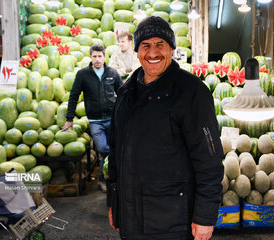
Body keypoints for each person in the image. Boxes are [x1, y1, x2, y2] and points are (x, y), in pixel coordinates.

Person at [107, 16, 224, 240]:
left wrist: (205, 217)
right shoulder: (125, 94)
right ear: (137, 51)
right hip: (131, 220)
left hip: (172, 222)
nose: (153, 53)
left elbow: (209, 162)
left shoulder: (191, 93)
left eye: (160, 45)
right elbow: (115, 154)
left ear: (171, 49)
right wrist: (114, 203)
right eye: (146, 46)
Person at [62, 44, 123, 193]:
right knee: (104, 149)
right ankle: (110, 177)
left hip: (112, 119)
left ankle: (105, 180)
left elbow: (122, 94)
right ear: (90, 57)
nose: (97, 59)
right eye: (94, 56)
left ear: (104, 57)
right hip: (95, 120)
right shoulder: (83, 74)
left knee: (111, 150)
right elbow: (74, 96)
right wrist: (69, 118)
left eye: (100, 56)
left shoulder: (112, 73)